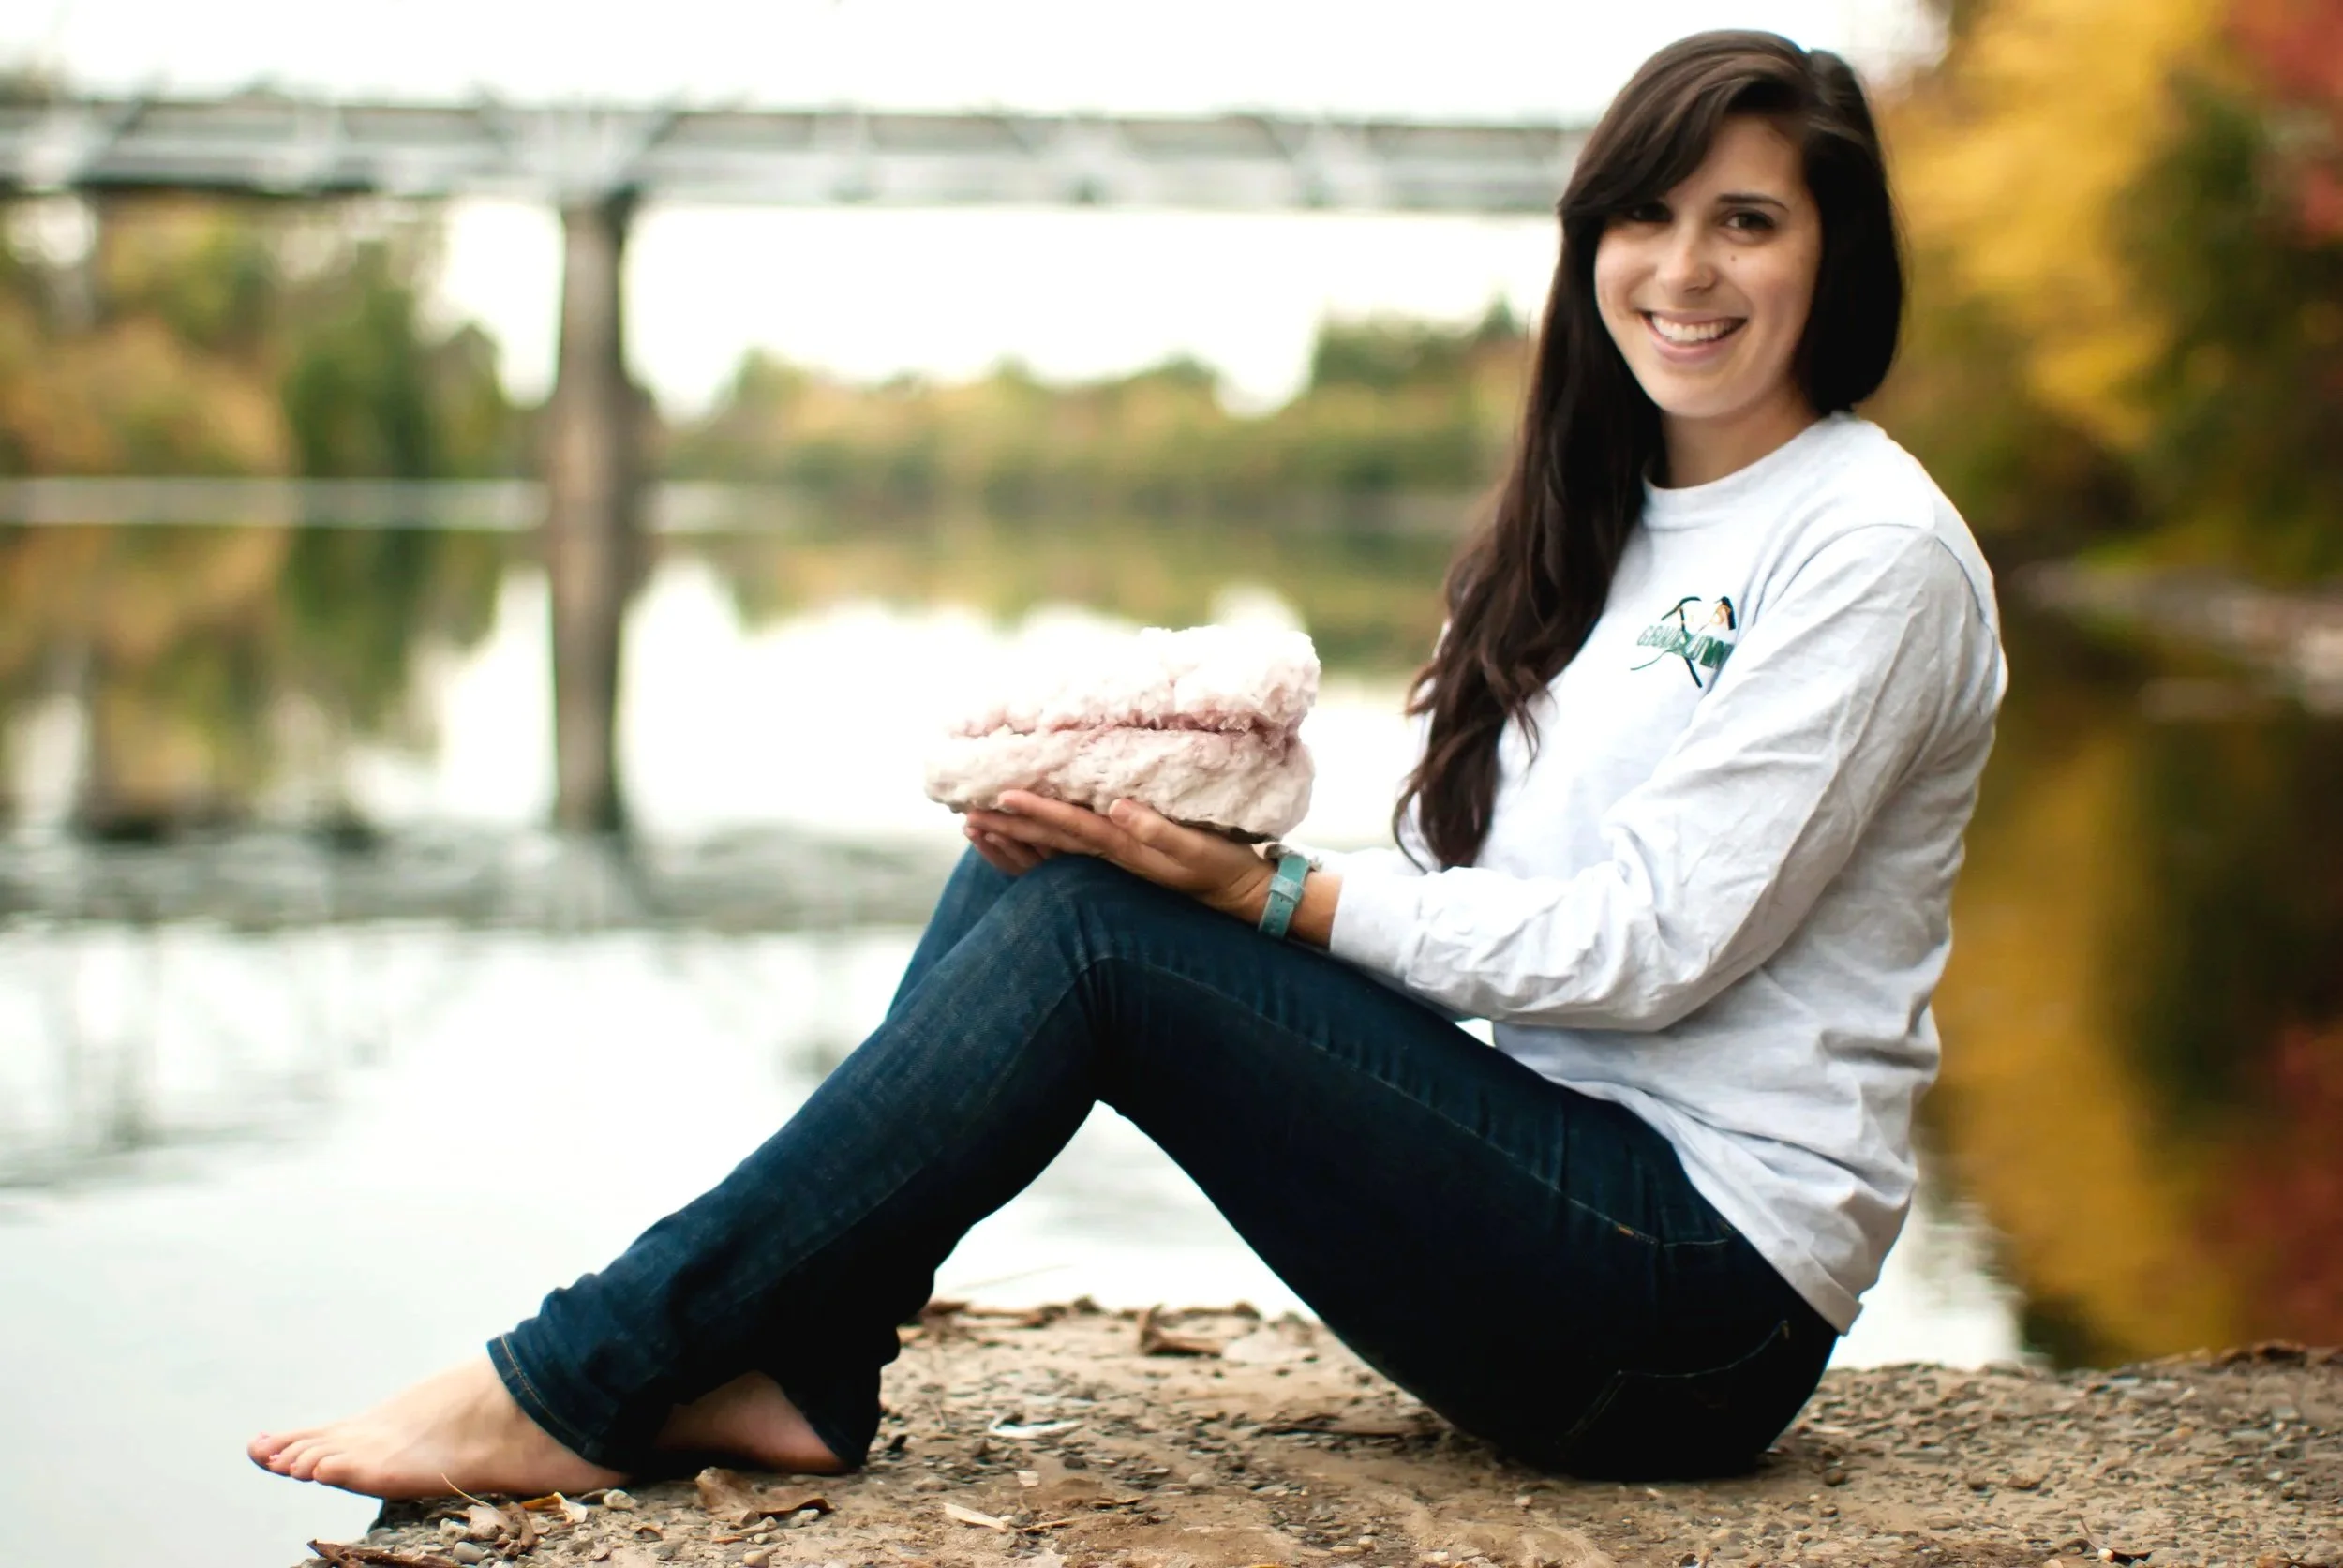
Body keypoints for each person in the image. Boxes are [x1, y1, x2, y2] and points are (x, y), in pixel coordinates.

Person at [248, 27, 2004, 1497]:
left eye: (1747, 222)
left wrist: (1271, 896)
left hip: (1689, 1306)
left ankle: (576, 1375)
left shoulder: (1870, 551)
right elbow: (1470, 881)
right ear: (1589, 241)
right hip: (1568, 1202)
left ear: (1833, 256)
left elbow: (1651, 947)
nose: (1684, 271)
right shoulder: (1604, 520)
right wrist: (1173, 819)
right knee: (1062, 872)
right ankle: (803, 1366)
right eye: (1645, 215)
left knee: (1096, 944)